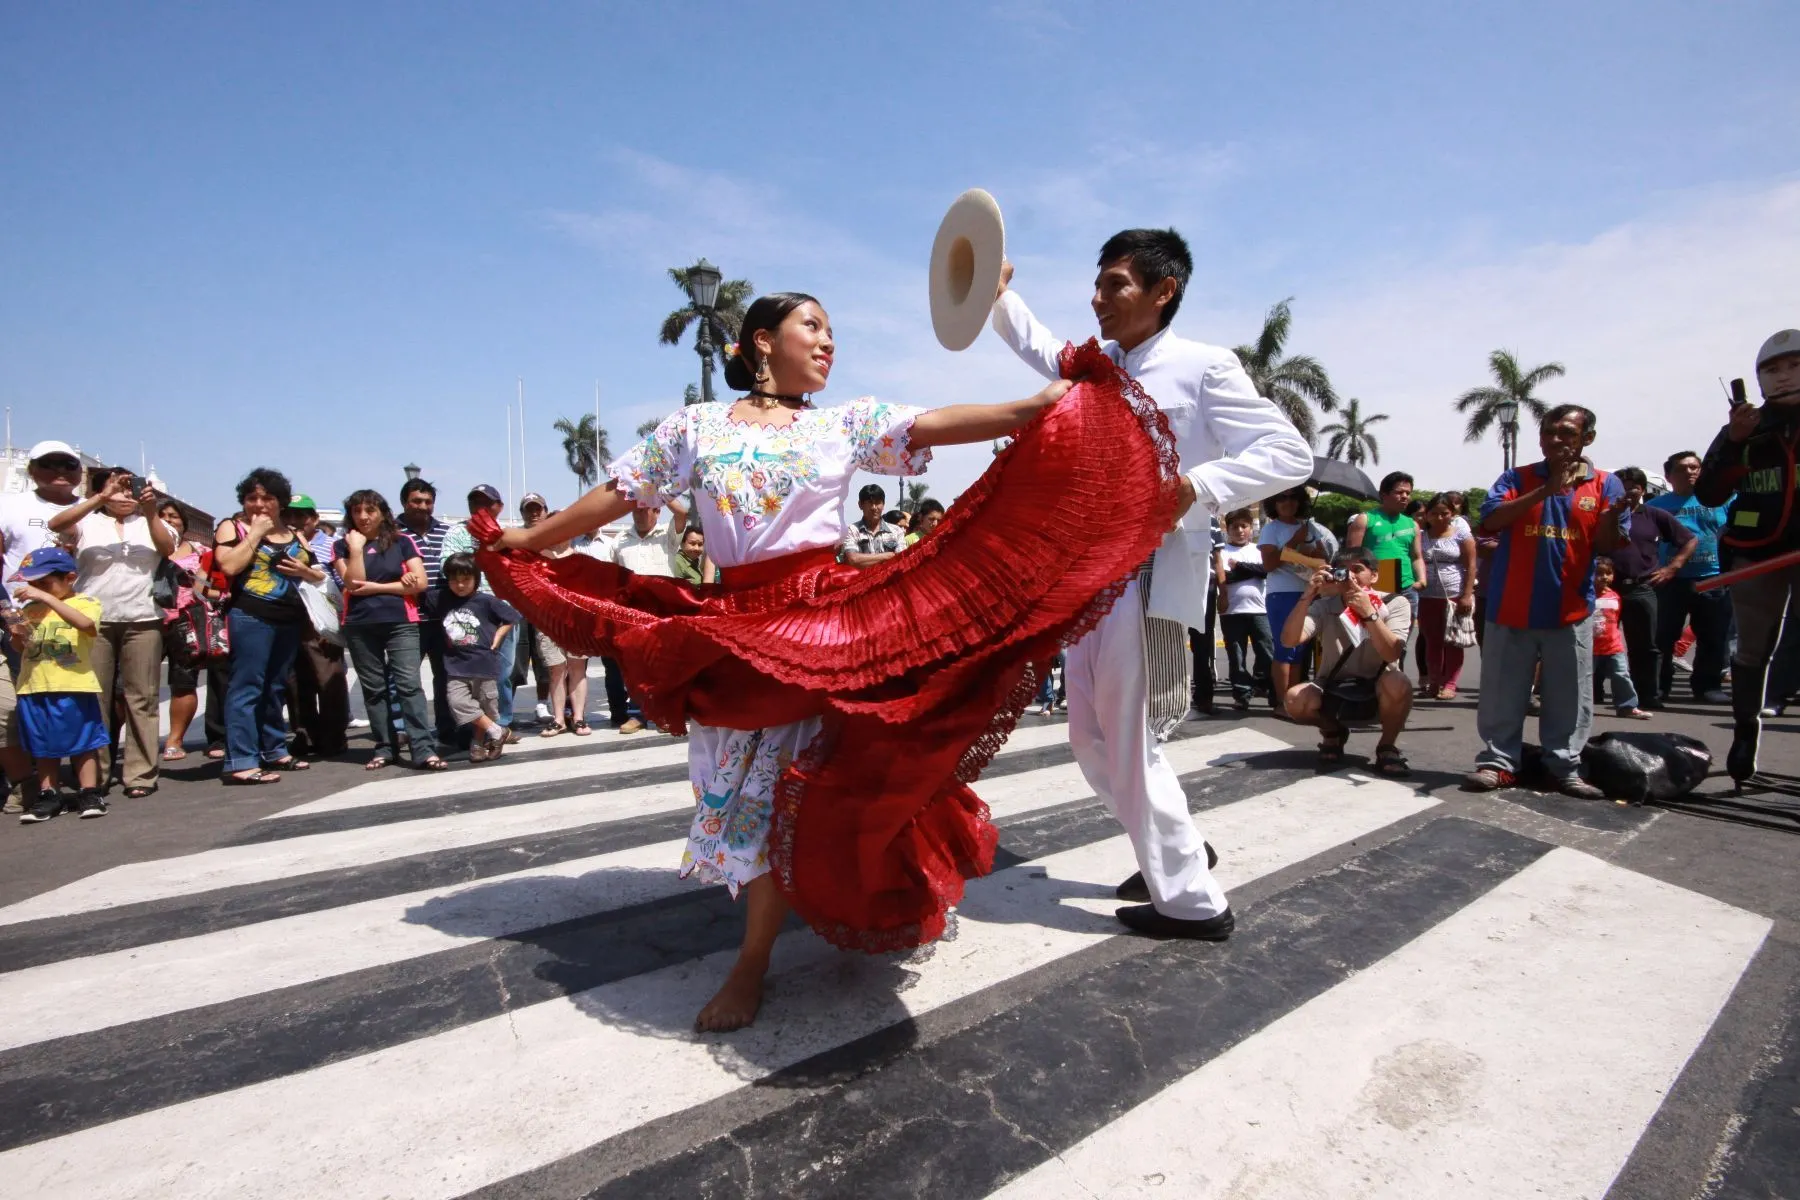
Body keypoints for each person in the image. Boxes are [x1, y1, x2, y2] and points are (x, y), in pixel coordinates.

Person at [483, 288, 1146, 1031]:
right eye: (814, 327)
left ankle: (752, 962)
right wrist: (533, 543)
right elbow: (617, 493)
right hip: (733, 629)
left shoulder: (842, 424)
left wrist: (1032, 407)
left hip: (825, 628)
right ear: (763, 341)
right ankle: (774, 923)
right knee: (735, 790)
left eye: (833, 331)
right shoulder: (694, 427)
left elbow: (932, 422)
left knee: (789, 792)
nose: (829, 342)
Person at [995, 229, 1312, 940]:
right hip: (1088, 579)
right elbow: (1042, 348)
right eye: (1098, 283)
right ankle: (1182, 850)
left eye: (1115, 284)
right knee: (1087, 736)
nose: (1097, 297)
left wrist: (1193, 486)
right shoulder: (1097, 363)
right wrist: (997, 294)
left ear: (1162, 291)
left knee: (1132, 741)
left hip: (1149, 576)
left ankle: (1193, 902)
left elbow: (1290, 452)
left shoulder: (1205, 367)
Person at [1463, 405, 1627, 798]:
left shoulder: (1607, 485)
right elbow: (1491, 521)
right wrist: (1546, 489)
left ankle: (1564, 767)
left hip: (1570, 612)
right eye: (1549, 431)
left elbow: (1608, 544)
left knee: (1570, 696)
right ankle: (1498, 763)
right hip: (1510, 608)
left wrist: (1612, 518)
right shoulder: (1515, 478)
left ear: (1587, 439)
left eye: (1567, 433)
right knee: (1503, 692)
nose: (1556, 439)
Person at [1697, 329, 1800, 783]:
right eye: (1772, 370)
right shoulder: (1744, 427)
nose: (1784, 377)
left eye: (1794, 366)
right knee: (1752, 648)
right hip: (1758, 550)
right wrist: (1737, 442)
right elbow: (1709, 491)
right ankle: (1744, 734)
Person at [48, 467, 176, 798]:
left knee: (142, 697)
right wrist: (99, 498)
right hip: (93, 620)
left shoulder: (151, 521)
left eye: (129, 489)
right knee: (95, 698)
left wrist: (149, 512)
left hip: (143, 617)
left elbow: (166, 549)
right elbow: (56, 525)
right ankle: (96, 774)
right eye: (116, 489)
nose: (123, 495)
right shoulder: (89, 520)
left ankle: (141, 774)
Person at [214, 468, 326, 786]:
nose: (260, 504)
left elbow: (319, 574)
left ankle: (274, 748)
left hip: (289, 619)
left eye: (268, 498)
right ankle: (241, 760)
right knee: (247, 687)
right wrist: (254, 533)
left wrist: (305, 570)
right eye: (252, 498)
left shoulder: (295, 534)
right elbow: (230, 565)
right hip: (251, 615)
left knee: (276, 686)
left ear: (280, 501)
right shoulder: (231, 527)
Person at [1278, 546, 1414, 774]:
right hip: (1334, 685)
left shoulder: (1394, 603)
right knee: (1294, 699)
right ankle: (1333, 732)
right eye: (1344, 570)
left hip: (1379, 685)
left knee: (1398, 682)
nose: (1351, 576)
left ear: (1374, 575)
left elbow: (1392, 653)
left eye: (1358, 569)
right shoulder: (1325, 605)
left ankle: (1387, 746)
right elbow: (1289, 640)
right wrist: (1307, 595)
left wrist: (1368, 612)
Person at [0, 441, 82, 812]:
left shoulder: (92, 509)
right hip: (18, 618)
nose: (60, 472)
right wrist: (8, 612)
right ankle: (27, 783)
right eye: (49, 465)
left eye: (68, 464)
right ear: (32, 470)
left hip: (75, 620)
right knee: (11, 710)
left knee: (70, 704)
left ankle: (80, 778)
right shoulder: (11, 504)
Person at [335, 489, 442, 771]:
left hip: (401, 623)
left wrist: (379, 588)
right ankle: (385, 747)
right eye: (357, 511)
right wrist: (356, 550)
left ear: (382, 513)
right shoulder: (342, 545)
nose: (363, 517)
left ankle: (423, 748)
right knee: (375, 689)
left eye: (369, 510)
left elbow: (420, 583)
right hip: (359, 625)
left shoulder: (402, 542)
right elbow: (353, 583)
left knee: (408, 685)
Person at [9, 548, 111, 822]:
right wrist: (17, 634)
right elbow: (23, 648)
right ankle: (49, 793)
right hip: (34, 685)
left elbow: (86, 625)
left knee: (83, 742)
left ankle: (90, 791)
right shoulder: (30, 610)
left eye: (44, 583)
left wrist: (47, 599)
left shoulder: (85, 602)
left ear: (70, 578)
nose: (36, 590)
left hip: (72, 685)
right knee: (43, 745)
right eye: (33, 584)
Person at [1648, 450, 1733, 705]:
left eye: (1695, 467)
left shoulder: (1724, 501)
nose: (1691, 472)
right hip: (1671, 579)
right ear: (1668, 476)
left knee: (1713, 637)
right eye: (1683, 468)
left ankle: (1707, 687)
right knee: (1663, 637)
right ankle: (1659, 687)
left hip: (1714, 578)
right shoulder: (1655, 507)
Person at [1606, 466, 1694, 710]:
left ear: (1642, 489)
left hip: (1641, 588)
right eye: (1621, 488)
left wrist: (1672, 567)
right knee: (1597, 642)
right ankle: (1593, 695)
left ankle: (1647, 696)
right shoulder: (1604, 515)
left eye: (1633, 487)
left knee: (1646, 646)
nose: (1627, 492)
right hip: (1605, 590)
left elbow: (1689, 540)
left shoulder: (1654, 515)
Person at [440, 485, 521, 739]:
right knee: (469, 676)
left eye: (487, 503)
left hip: (502, 609)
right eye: (474, 502)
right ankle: (482, 728)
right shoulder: (457, 532)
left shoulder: (508, 535)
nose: (480, 508)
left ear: (499, 507)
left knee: (502, 673)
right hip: (470, 612)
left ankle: (502, 721)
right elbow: (450, 566)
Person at [1258, 486, 1338, 714]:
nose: (1288, 502)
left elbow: (1322, 560)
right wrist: (1295, 541)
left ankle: (1293, 700)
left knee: (1299, 650)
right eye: (1282, 497)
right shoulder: (1270, 530)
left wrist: (1313, 550)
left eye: (1293, 497)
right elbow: (1269, 564)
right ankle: (1282, 702)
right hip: (1281, 594)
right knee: (1285, 648)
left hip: (1308, 592)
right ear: (1273, 503)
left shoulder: (1311, 528)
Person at [282, 496, 350, 759]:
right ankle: (305, 733)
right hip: (289, 617)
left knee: (328, 677)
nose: (295, 522)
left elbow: (339, 584)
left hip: (320, 620)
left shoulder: (331, 545)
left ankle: (334, 736)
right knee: (296, 682)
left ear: (315, 519)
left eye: (302, 517)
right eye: (289, 516)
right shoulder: (280, 543)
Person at [437, 553, 520, 762]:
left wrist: (500, 635)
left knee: (487, 707)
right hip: (456, 666)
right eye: (454, 580)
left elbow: (512, 617)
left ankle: (479, 742)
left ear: (476, 578)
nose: (460, 585)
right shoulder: (441, 598)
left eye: (466, 579)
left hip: (484, 665)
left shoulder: (486, 601)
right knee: (458, 703)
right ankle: (498, 731)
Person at [1345, 471, 1426, 674]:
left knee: (1400, 639)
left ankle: (1395, 677)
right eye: (1399, 492)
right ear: (1384, 494)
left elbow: (1416, 556)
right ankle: (1373, 679)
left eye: (1408, 493)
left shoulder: (1412, 524)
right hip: (1377, 585)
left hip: (1406, 587)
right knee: (1374, 635)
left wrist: (1422, 579)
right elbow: (1352, 556)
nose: (1405, 497)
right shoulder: (1366, 519)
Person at [399, 478, 455, 744]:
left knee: (445, 676)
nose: (423, 506)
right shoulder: (392, 533)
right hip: (408, 618)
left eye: (428, 502)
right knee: (406, 680)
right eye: (416, 501)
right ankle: (405, 730)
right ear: (404, 502)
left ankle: (447, 727)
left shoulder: (446, 532)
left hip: (443, 618)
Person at [156, 501, 205, 761]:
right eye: (161, 516)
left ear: (184, 523)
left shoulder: (199, 550)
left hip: (186, 622)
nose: (168, 520)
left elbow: (209, 584)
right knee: (127, 687)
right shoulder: (142, 548)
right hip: (146, 621)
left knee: (183, 682)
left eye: (173, 516)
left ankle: (175, 740)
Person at [1415, 492, 1476, 700]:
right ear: (1427, 515)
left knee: (1453, 641)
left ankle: (1450, 683)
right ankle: (1434, 682)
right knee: (1432, 641)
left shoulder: (1461, 535)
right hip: (1427, 596)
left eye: (1444, 513)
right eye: (1434, 513)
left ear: (1453, 513)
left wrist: (1467, 595)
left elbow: (1471, 566)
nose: (1439, 518)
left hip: (1455, 595)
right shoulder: (1421, 536)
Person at [1215, 508, 1273, 711]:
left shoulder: (1258, 550)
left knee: (1267, 651)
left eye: (1244, 526)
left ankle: (1261, 682)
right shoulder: (1220, 552)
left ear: (1250, 528)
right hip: (1232, 612)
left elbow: (1265, 571)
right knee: (1237, 656)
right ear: (1227, 529)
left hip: (1260, 610)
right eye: (1235, 527)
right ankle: (1242, 693)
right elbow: (1222, 578)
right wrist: (1250, 570)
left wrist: (1239, 566)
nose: (1240, 530)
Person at [1592, 559, 1650, 719]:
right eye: (1599, 574)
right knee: (1584, 678)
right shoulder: (1586, 596)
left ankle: (1627, 706)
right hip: (1590, 647)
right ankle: (1576, 707)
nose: (1604, 577)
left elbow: (1615, 620)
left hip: (1613, 646)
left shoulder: (1615, 596)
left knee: (1621, 674)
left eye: (1608, 573)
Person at [840, 484, 906, 567]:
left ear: (883, 505)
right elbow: (852, 559)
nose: (874, 507)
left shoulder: (896, 531)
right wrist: (889, 555)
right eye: (870, 503)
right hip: (863, 579)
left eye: (878, 503)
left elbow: (901, 559)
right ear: (860, 505)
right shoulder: (851, 530)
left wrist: (865, 560)